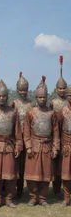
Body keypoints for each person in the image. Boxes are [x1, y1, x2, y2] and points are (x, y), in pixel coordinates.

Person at [0, 80, 23, 208]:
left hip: (9, 146)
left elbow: (17, 131)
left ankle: (9, 198)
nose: (2, 98)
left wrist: (18, 145)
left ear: (7, 97)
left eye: (4, 96)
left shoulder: (13, 112)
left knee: (10, 174)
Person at [24, 77, 60, 207]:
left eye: (44, 97)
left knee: (46, 173)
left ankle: (43, 197)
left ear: (47, 97)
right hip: (33, 145)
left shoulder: (52, 113)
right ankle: (33, 197)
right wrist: (28, 146)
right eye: (40, 97)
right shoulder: (30, 112)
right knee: (32, 173)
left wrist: (55, 148)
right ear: (36, 98)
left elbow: (56, 132)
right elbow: (26, 130)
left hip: (47, 146)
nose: (42, 99)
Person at [9, 73, 32, 198]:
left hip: (27, 137)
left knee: (25, 165)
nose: (23, 92)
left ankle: (21, 190)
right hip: (15, 138)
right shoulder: (14, 103)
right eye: (21, 90)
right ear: (17, 90)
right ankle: (14, 188)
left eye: (25, 90)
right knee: (15, 164)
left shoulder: (30, 104)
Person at [50, 75, 68, 196]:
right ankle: (56, 188)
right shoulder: (52, 103)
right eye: (60, 88)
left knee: (65, 162)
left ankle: (66, 188)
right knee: (55, 162)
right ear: (56, 89)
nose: (62, 90)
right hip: (55, 135)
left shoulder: (69, 102)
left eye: (64, 88)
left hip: (66, 135)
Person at [56, 85, 71, 206]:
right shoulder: (63, 111)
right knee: (66, 173)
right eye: (69, 95)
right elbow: (58, 128)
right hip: (66, 144)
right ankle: (66, 198)